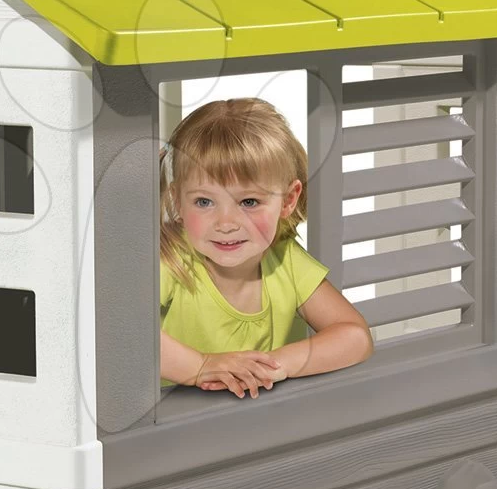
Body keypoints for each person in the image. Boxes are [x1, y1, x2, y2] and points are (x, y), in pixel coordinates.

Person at [159, 97, 372, 396]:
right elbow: (123, 334)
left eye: (249, 202)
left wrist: (273, 365)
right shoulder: (171, 258)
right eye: (204, 202)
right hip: (177, 421)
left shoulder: (286, 261)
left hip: (268, 418)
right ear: (178, 200)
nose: (226, 223)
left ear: (288, 200)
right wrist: (200, 365)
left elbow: (355, 336)